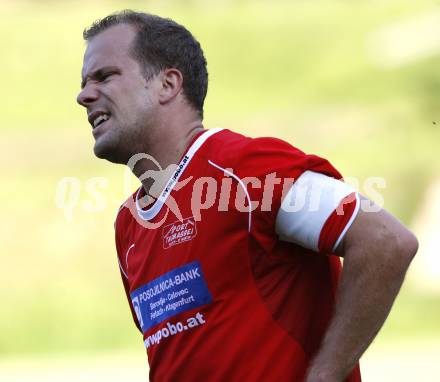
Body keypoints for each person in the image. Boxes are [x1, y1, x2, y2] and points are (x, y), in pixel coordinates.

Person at [76, 10, 418, 382]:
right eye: (83, 83)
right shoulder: (129, 224)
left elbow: (385, 240)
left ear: (167, 84)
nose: (83, 95)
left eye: (105, 76)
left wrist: (325, 373)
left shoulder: (245, 169)